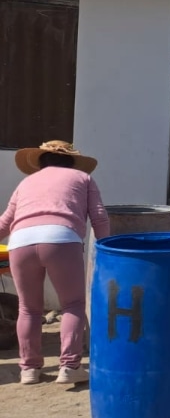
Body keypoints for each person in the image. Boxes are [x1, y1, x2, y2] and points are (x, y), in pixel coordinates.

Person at [0, 141, 109, 385]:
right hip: (61, 239)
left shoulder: (26, 182)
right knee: (72, 304)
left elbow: (6, 221)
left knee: (28, 309)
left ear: (40, 162)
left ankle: (29, 369)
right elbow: (99, 216)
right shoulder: (83, 178)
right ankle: (69, 366)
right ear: (72, 161)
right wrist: (107, 249)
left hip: (20, 242)